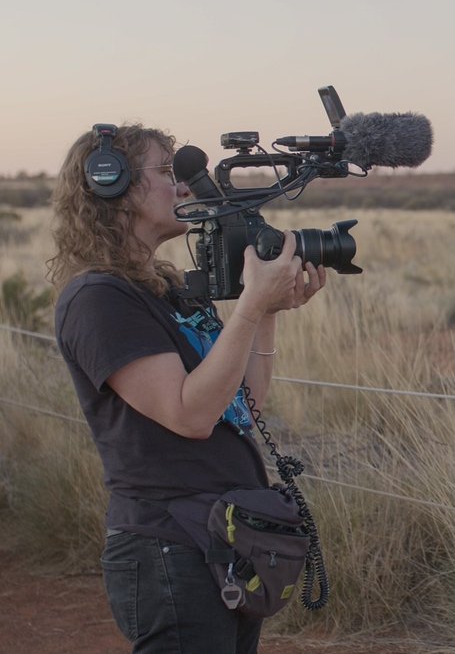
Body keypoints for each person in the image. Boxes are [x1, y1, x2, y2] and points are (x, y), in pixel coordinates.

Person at [48, 124, 326, 653]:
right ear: (113, 185)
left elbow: (243, 403)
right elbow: (189, 415)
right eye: (166, 172)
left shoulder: (167, 288)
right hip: (168, 546)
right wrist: (247, 308)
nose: (183, 187)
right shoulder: (98, 299)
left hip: (225, 539)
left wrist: (265, 308)